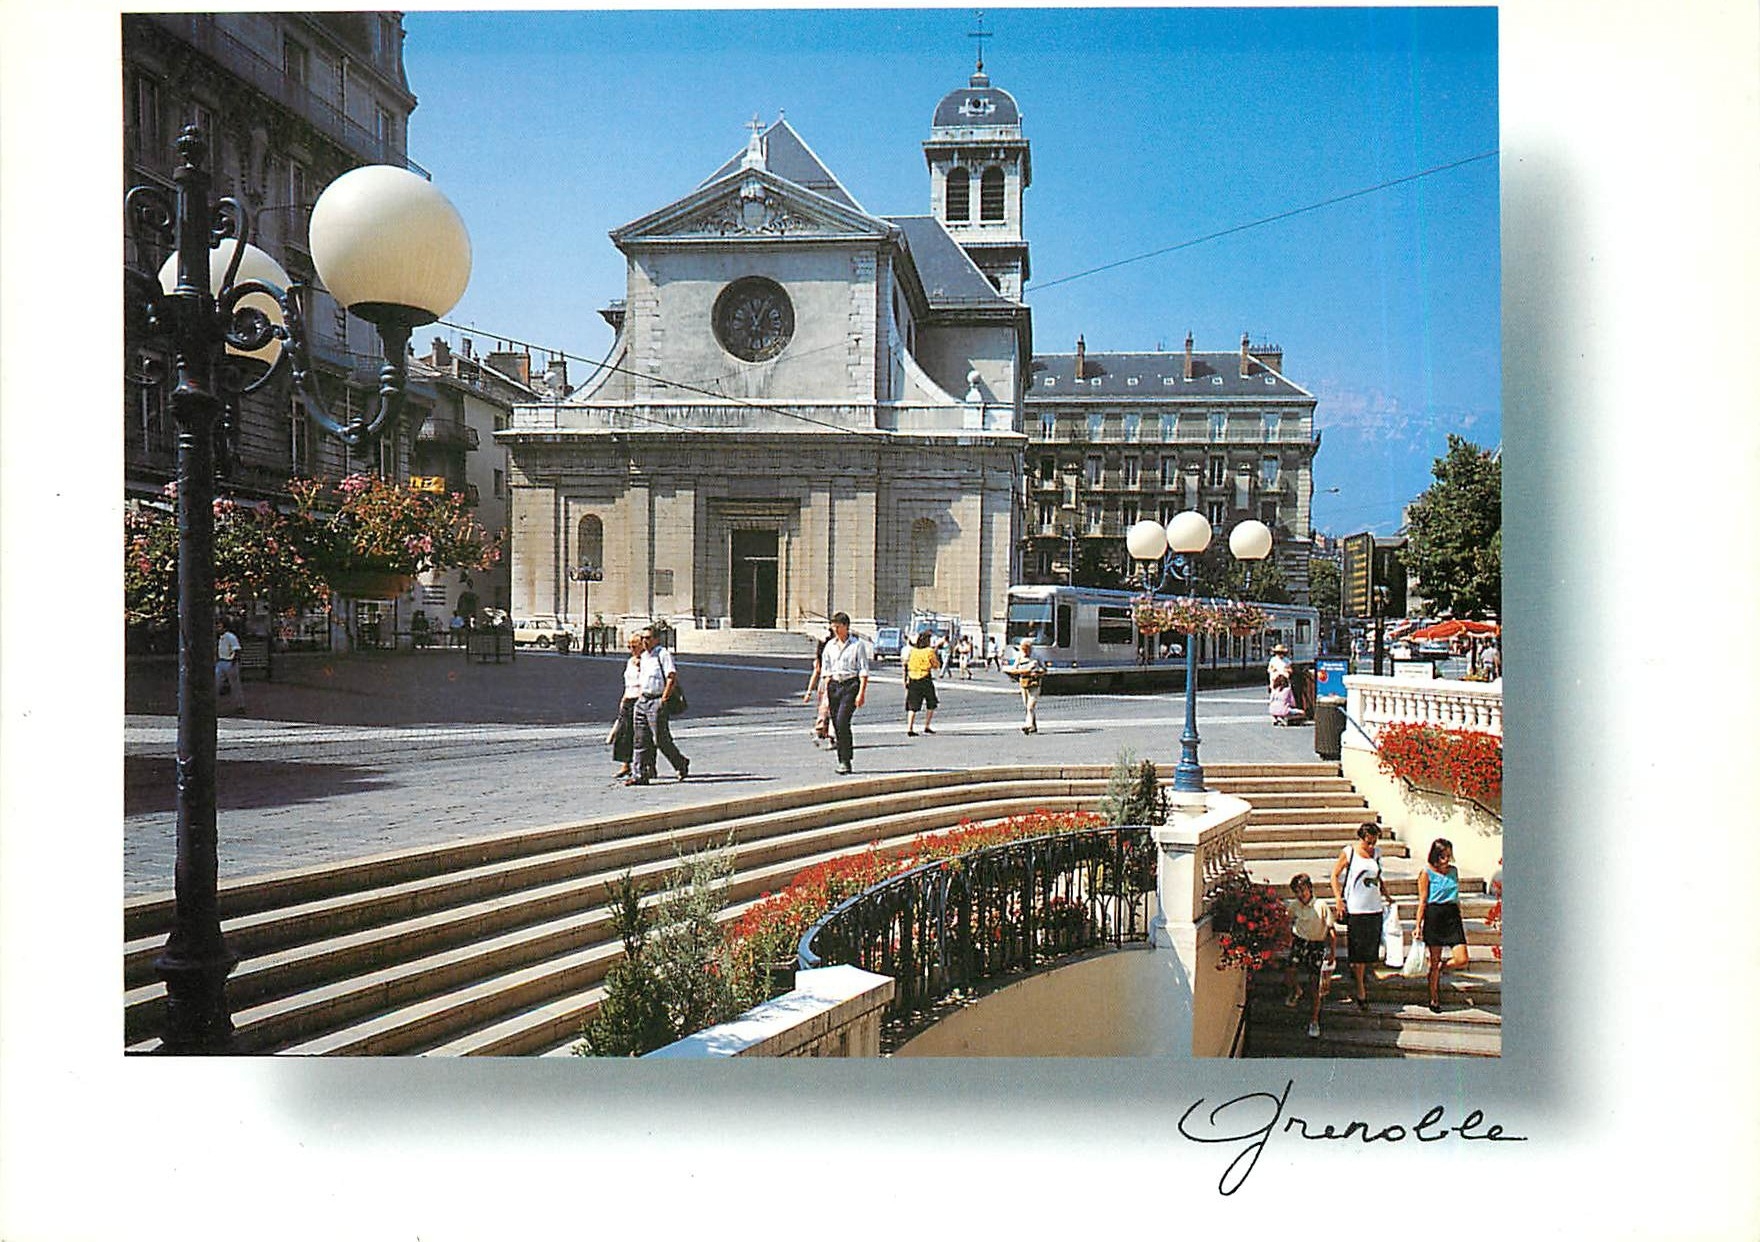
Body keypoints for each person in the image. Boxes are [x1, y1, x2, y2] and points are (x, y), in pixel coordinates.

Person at [1329, 822, 1389, 1011]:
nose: (1371, 846)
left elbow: (1378, 877)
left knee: (1370, 946)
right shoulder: (1349, 852)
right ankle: (1360, 989)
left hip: (1374, 906)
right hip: (1356, 907)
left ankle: (1360, 973)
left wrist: (1387, 895)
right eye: (1368, 842)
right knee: (1358, 948)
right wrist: (1339, 899)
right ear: (1361, 838)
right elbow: (1335, 875)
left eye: (1374, 842)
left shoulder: (1377, 853)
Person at [627, 625, 689, 786]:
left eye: (648, 638)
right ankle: (639, 774)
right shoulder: (644, 656)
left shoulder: (663, 654)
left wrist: (663, 699)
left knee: (661, 740)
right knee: (640, 739)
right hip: (642, 700)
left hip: (656, 700)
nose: (644, 641)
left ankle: (680, 763)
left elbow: (671, 677)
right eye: (642, 638)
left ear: (656, 639)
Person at [1415, 837, 1470, 1012]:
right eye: (1442, 856)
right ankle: (1433, 997)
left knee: (1462, 958)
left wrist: (1459, 914)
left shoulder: (1453, 871)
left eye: (1448, 856)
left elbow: (1456, 895)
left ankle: (1441, 968)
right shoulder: (1426, 873)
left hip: (1452, 915)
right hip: (1434, 915)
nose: (1446, 860)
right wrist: (1418, 925)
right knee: (1434, 959)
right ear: (1435, 856)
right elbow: (1423, 900)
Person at [1283, 873, 1337, 1039]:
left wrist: (1332, 952)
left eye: (1303, 890)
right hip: (1299, 943)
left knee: (1315, 984)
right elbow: (1287, 920)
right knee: (1290, 971)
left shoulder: (1321, 905)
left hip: (1316, 945)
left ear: (1310, 889)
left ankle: (1314, 1020)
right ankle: (1296, 990)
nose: (1301, 895)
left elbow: (1331, 930)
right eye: (1297, 892)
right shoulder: (1294, 906)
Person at [820, 611, 870, 775]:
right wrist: (825, 696)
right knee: (836, 723)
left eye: (837, 626)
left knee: (842, 721)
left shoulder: (857, 645)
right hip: (834, 685)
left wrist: (861, 693)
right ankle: (842, 758)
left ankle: (845, 760)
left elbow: (863, 670)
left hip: (850, 685)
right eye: (833, 626)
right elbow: (826, 671)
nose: (834, 629)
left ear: (846, 627)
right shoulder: (829, 646)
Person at [608, 632, 644, 780]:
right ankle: (625, 765)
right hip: (629, 699)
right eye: (629, 646)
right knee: (623, 733)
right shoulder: (630, 661)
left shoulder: (647, 661)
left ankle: (646, 766)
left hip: (641, 700)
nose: (631, 649)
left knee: (642, 736)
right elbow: (627, 682)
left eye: (634, 646)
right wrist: (623, 700)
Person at [802, 625, 835, 748]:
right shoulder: (833, 651)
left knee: (826, 709)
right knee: (830, 710)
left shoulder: (819, 659)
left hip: (822, 685)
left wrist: (809, 692)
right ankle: (820, 731)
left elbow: (815, 674)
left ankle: (825, 733)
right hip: (830, 683)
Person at [903, 630, 941, 736]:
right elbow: (936, 665)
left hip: (912, 678)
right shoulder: (929, 651)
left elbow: (906, 664)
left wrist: (905, 679)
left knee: (912, 704)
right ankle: (927, 725)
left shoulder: (913, 651)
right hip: (925, 677)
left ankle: (910, 728)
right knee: (931, 702)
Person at [1005, 638, 1045, 734]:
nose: (1025, 651)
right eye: (1023, 649)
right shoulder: (1019, 656)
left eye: (1027, 649)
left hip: (1035, 683)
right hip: (1024, 682)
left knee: (1030, 706)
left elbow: (1044, 669)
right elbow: (1013, 670)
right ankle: (1033, 726)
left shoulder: (1037, 656)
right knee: (1027, 706)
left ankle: (1027, 725)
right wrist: (1025, 671)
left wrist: (1038, 672)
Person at [215, 617, 244, 713]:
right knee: (216, 683)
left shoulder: (230, 637)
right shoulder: (220, 638)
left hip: (229, 662)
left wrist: (233, 662)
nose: (217, 628)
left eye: (219, 626)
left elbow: (237, 650)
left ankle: (240, 705)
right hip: (221, 662)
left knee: (235, 685)